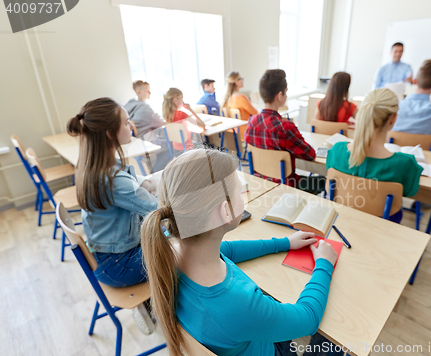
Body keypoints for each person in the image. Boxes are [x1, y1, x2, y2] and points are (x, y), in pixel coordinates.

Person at [141, 148, 342, 356]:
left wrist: (283, 243)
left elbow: (227, 250)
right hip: (272, 350)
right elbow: (309, 318)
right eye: (239, 192)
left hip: (242, 337)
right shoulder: (237, 304)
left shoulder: (173, 253)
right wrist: (324, 264)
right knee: (337, 336)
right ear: (225, 211)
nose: (242, 196)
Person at [67, 98, 158, 334]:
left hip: (106, 259)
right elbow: (157, 210)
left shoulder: (92, 166)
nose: (132, 126)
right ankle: (157, 307)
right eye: (127, 123)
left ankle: (151, 302)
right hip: (121, 266)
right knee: (179, 247)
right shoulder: (113, 181)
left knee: (166, 235)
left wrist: (145, 183)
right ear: (109, 133)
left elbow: (129, 183)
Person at [326, 89, 423, 223]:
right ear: (393, 118)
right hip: (382, 226)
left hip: (340, 219)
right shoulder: (405, 164)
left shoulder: (337, 150)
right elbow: (409, 192)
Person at [245, 69, 325, 195]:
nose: (286, 96)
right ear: (279, 95)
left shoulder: (251, 122)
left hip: (261, 183)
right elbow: (310, 155)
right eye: (286, 93)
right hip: (286, 187)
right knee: (323, 181)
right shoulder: (285, 127)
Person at [163, 88, 206, 153]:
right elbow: (202, 125)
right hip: (188, 150)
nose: (183, 101)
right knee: (206, 145)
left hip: (176, 150)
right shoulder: (182, 114)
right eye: (181, 98)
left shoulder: (167, 116)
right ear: (175, 100)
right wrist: (190, 109)